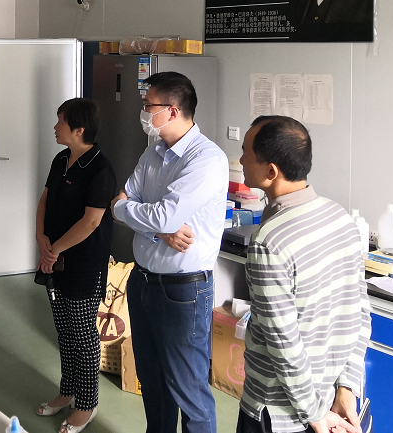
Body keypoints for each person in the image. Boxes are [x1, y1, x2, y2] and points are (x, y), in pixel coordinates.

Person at [110, 71, 228, 433]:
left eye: (149, 106)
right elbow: (119, 203)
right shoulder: (154, 151)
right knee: (152, 380)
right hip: (143, 281)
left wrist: (147, 217)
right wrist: (160, 230)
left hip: (183, 291)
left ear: (172, 111)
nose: (144, 112)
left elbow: (155, 212)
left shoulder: (205, 159)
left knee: (188, 388)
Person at [237, 116, 370, 433]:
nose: (240, 161)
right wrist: (347, 387)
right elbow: (359, 312)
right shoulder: (340, 217)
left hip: (278, 412)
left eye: (245, 153)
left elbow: (283, 344)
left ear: (271, 171)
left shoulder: (269, 243)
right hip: (326, 405)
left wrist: (314, 413)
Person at [35, 99, 116, 433]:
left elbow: (92, 221)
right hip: (54, 260)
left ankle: (87, 403)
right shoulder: (61, 159)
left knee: (83, 336)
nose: (55, 127)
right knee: (64, 331)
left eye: (61, 121)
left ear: (79, 129)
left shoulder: (100, 169)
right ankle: (67, 390)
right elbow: (45, 199)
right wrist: (41, 237)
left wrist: (53, 249)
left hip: (83, 265)